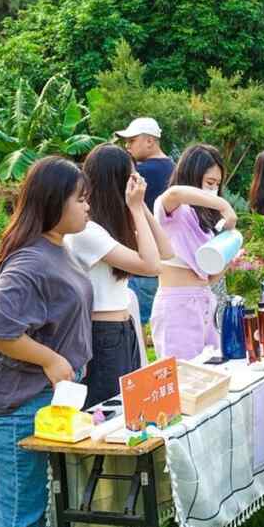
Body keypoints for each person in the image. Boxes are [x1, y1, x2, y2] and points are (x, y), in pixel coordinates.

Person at [0, 157, 93, 527]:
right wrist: (50, 360)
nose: (87, 205)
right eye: (80, 198)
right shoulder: (29, 261)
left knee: (39, 513)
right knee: (18, 516)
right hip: (16, 404)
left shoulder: (58, 248)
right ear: (54, 202)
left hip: (44, 401)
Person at [64, 144, 173, 407]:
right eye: (132, 177)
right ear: (117, 181)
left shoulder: (112, 225)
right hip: (101, 334)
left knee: (130, 409)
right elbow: (152, 266)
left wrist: (141, 207)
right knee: (108, 411)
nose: (138, 183)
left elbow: (166, 252)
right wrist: (135, 208)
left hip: (122, 329)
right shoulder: (87, 232)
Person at [152, 145, 238, 361]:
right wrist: (224, 204)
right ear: (192, 175)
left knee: (211, 372)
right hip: (178, 305)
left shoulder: (206, 221)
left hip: (204, 301)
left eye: (217, 185)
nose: (213, 190)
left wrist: (228, 259)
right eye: (209, 183)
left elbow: (208, 278)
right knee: (184, 377)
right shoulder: (172, 209)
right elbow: (176, 193)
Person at [117, 117, 176, 325]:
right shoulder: (172, 167)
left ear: (150, 141)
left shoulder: (142, 173)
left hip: (144, 252)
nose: (127, 146)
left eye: (132, 140)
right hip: (166, 253)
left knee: (135, 321)